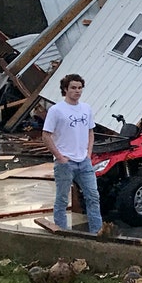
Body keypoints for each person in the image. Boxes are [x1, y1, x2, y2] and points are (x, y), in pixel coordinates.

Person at [42, 74, 102, 234]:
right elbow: (46, 135)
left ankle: (97, 232)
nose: (77, 91)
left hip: (84, 161)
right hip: (65, 162)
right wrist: (59, 157)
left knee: (93, 196)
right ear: (65, 89)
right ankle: (62, 232)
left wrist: (89, 153)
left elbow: (90, 132)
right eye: (73, 88)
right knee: (62, 199)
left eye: (80, 88)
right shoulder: (56, 110)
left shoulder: (86, 109)